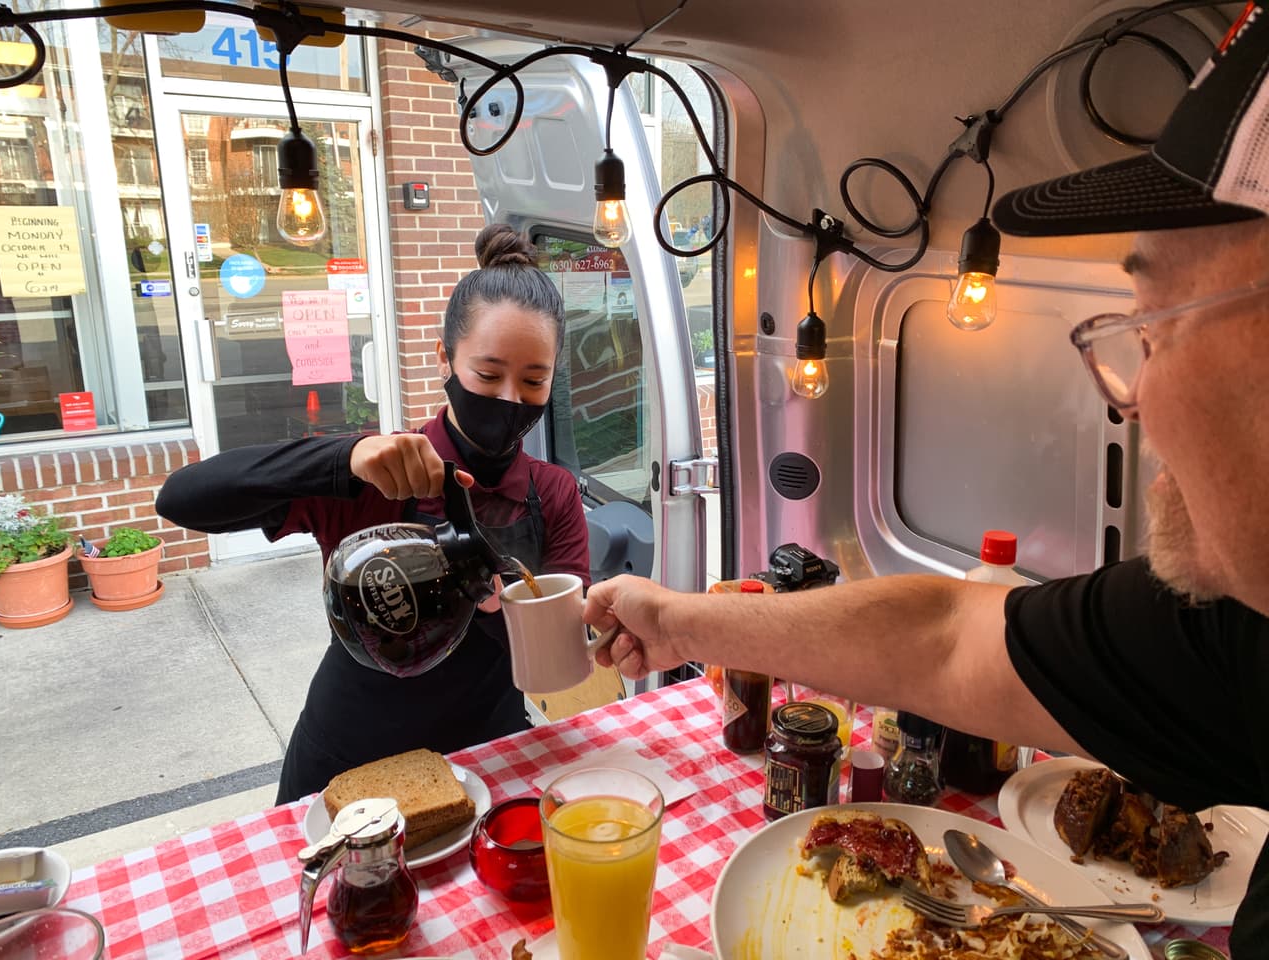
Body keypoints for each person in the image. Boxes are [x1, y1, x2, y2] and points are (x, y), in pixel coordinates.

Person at [588, 9, 1269, 952]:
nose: (1132, 398)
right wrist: (675, 622)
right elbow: (949, 637)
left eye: (1153, 327)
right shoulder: (1241, 631)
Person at [157, 224, 589, 804]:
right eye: (488, 375)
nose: (509, 398)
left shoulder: (553, 493)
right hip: (350, 759)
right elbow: (183, 498)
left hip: (489, 755)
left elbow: (563, 641)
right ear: (445, 358)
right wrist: (343, 456)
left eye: (533, 380)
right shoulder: (376, 476)